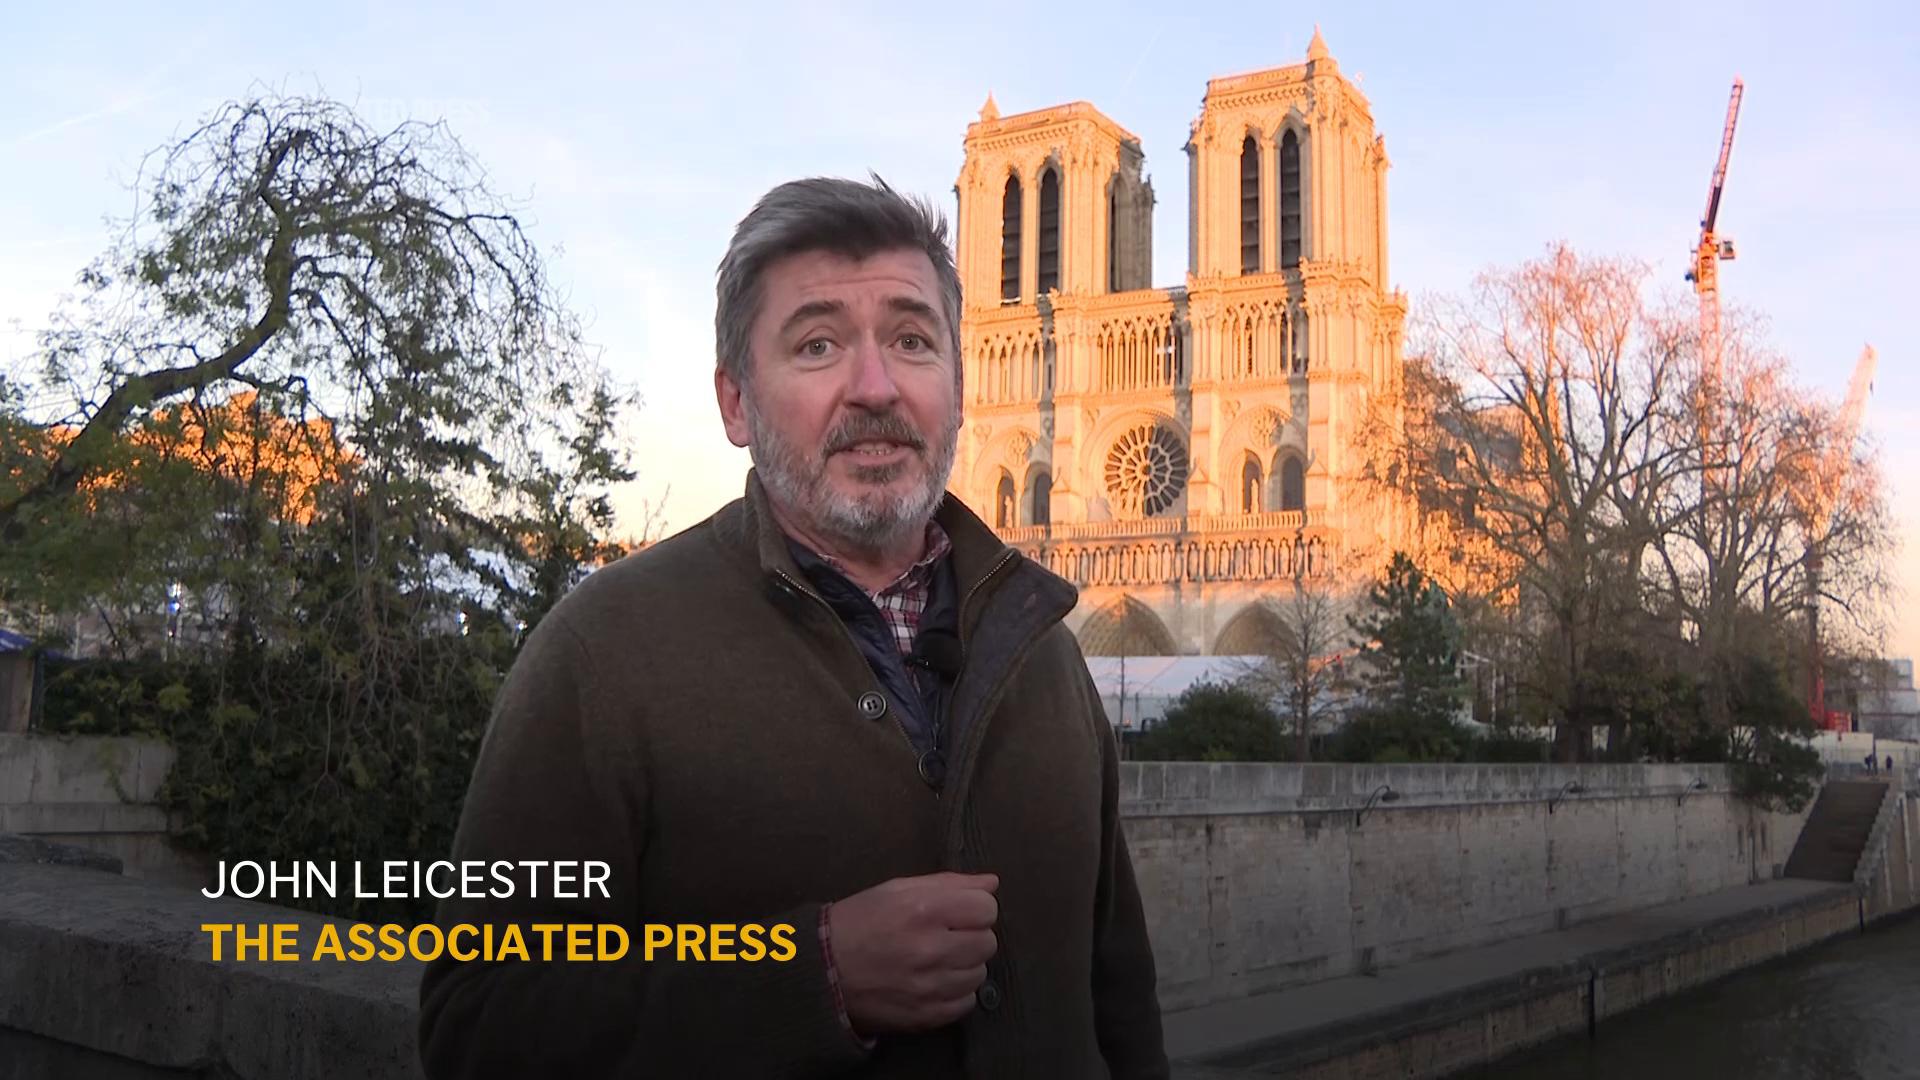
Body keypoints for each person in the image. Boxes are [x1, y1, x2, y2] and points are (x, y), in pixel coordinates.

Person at [417, 175, 1169, 1078]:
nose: (875, 386)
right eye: (817, 344)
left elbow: (1120, 1000)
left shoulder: (1043, 651)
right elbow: (480, 1023)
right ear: (736, 404)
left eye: (913, 339)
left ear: (959, 389)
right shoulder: (602, 652)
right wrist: (812, 977)